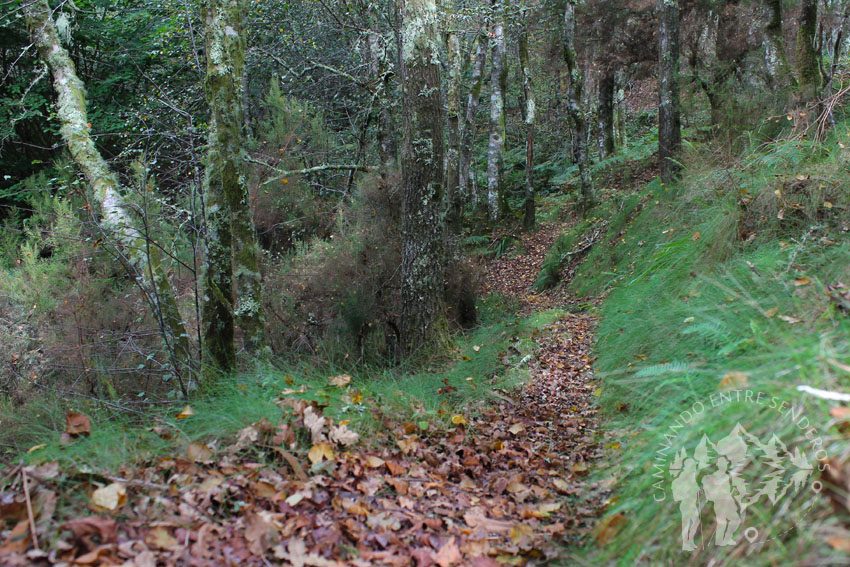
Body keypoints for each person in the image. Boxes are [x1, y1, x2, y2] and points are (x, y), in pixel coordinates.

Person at [672, 457, 700, 551]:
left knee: (695, 522)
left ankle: (690, 542)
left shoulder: (693, 478)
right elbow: (676, 496)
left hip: (693, 504)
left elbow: (697, 491)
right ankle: (685, 543)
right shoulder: (680, 480)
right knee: (687, 523)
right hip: (685, 505)